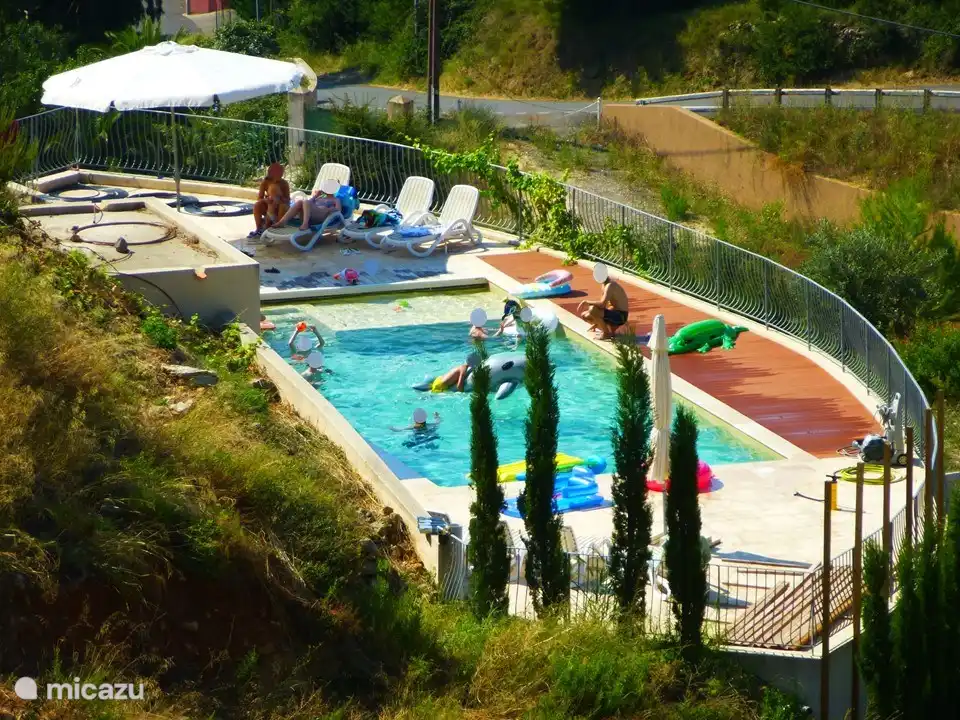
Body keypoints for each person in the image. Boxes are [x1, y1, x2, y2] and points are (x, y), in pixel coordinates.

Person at [272, 179, 342, 232]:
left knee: (305, 201)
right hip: (310, 216)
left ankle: (305, 224)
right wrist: (315, 196)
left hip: (320, 217)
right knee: (300, 202)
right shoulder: (320, 197)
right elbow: (308, 203)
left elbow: (338, 211)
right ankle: (282, 222)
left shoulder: (335, 200)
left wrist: (328, 209)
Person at [578, 274, 630, 339]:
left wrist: (587, 302)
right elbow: (602, 306)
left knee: (592, 309)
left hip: (621, 316)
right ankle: (610, 330)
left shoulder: (610, 285)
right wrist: (597, 323)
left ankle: (607, 333)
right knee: (585, 315)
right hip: (614, 312)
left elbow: (602, 304)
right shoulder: (604, 285)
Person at [250, 163, 290, 238]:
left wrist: (280, 198)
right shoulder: (265, 182)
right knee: (257, 205)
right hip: (269, 203)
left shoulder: (284, 183)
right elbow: (259, 198)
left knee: (283, 206)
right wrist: (266, 200)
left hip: (281, 205)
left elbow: (288, 200)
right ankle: (259, 228)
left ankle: (276, 227)